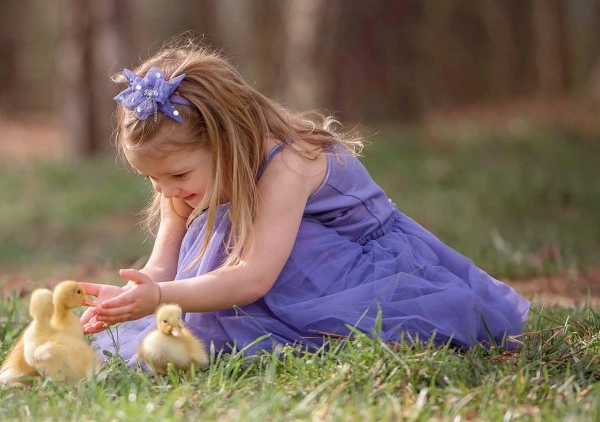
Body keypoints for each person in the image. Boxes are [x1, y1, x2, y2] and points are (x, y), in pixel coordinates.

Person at [79, 39, 529, 364]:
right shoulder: (186, 183)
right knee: (216, 237)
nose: (165, 190)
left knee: (242, 238)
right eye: (151, 178)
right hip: (289, 264)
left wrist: (161, 296)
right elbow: (165, 267)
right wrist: (137, 294)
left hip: (360, 268)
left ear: (227, 141)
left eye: (176, 175)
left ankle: (317, 330)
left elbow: (253, 276)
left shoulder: (288, 164)